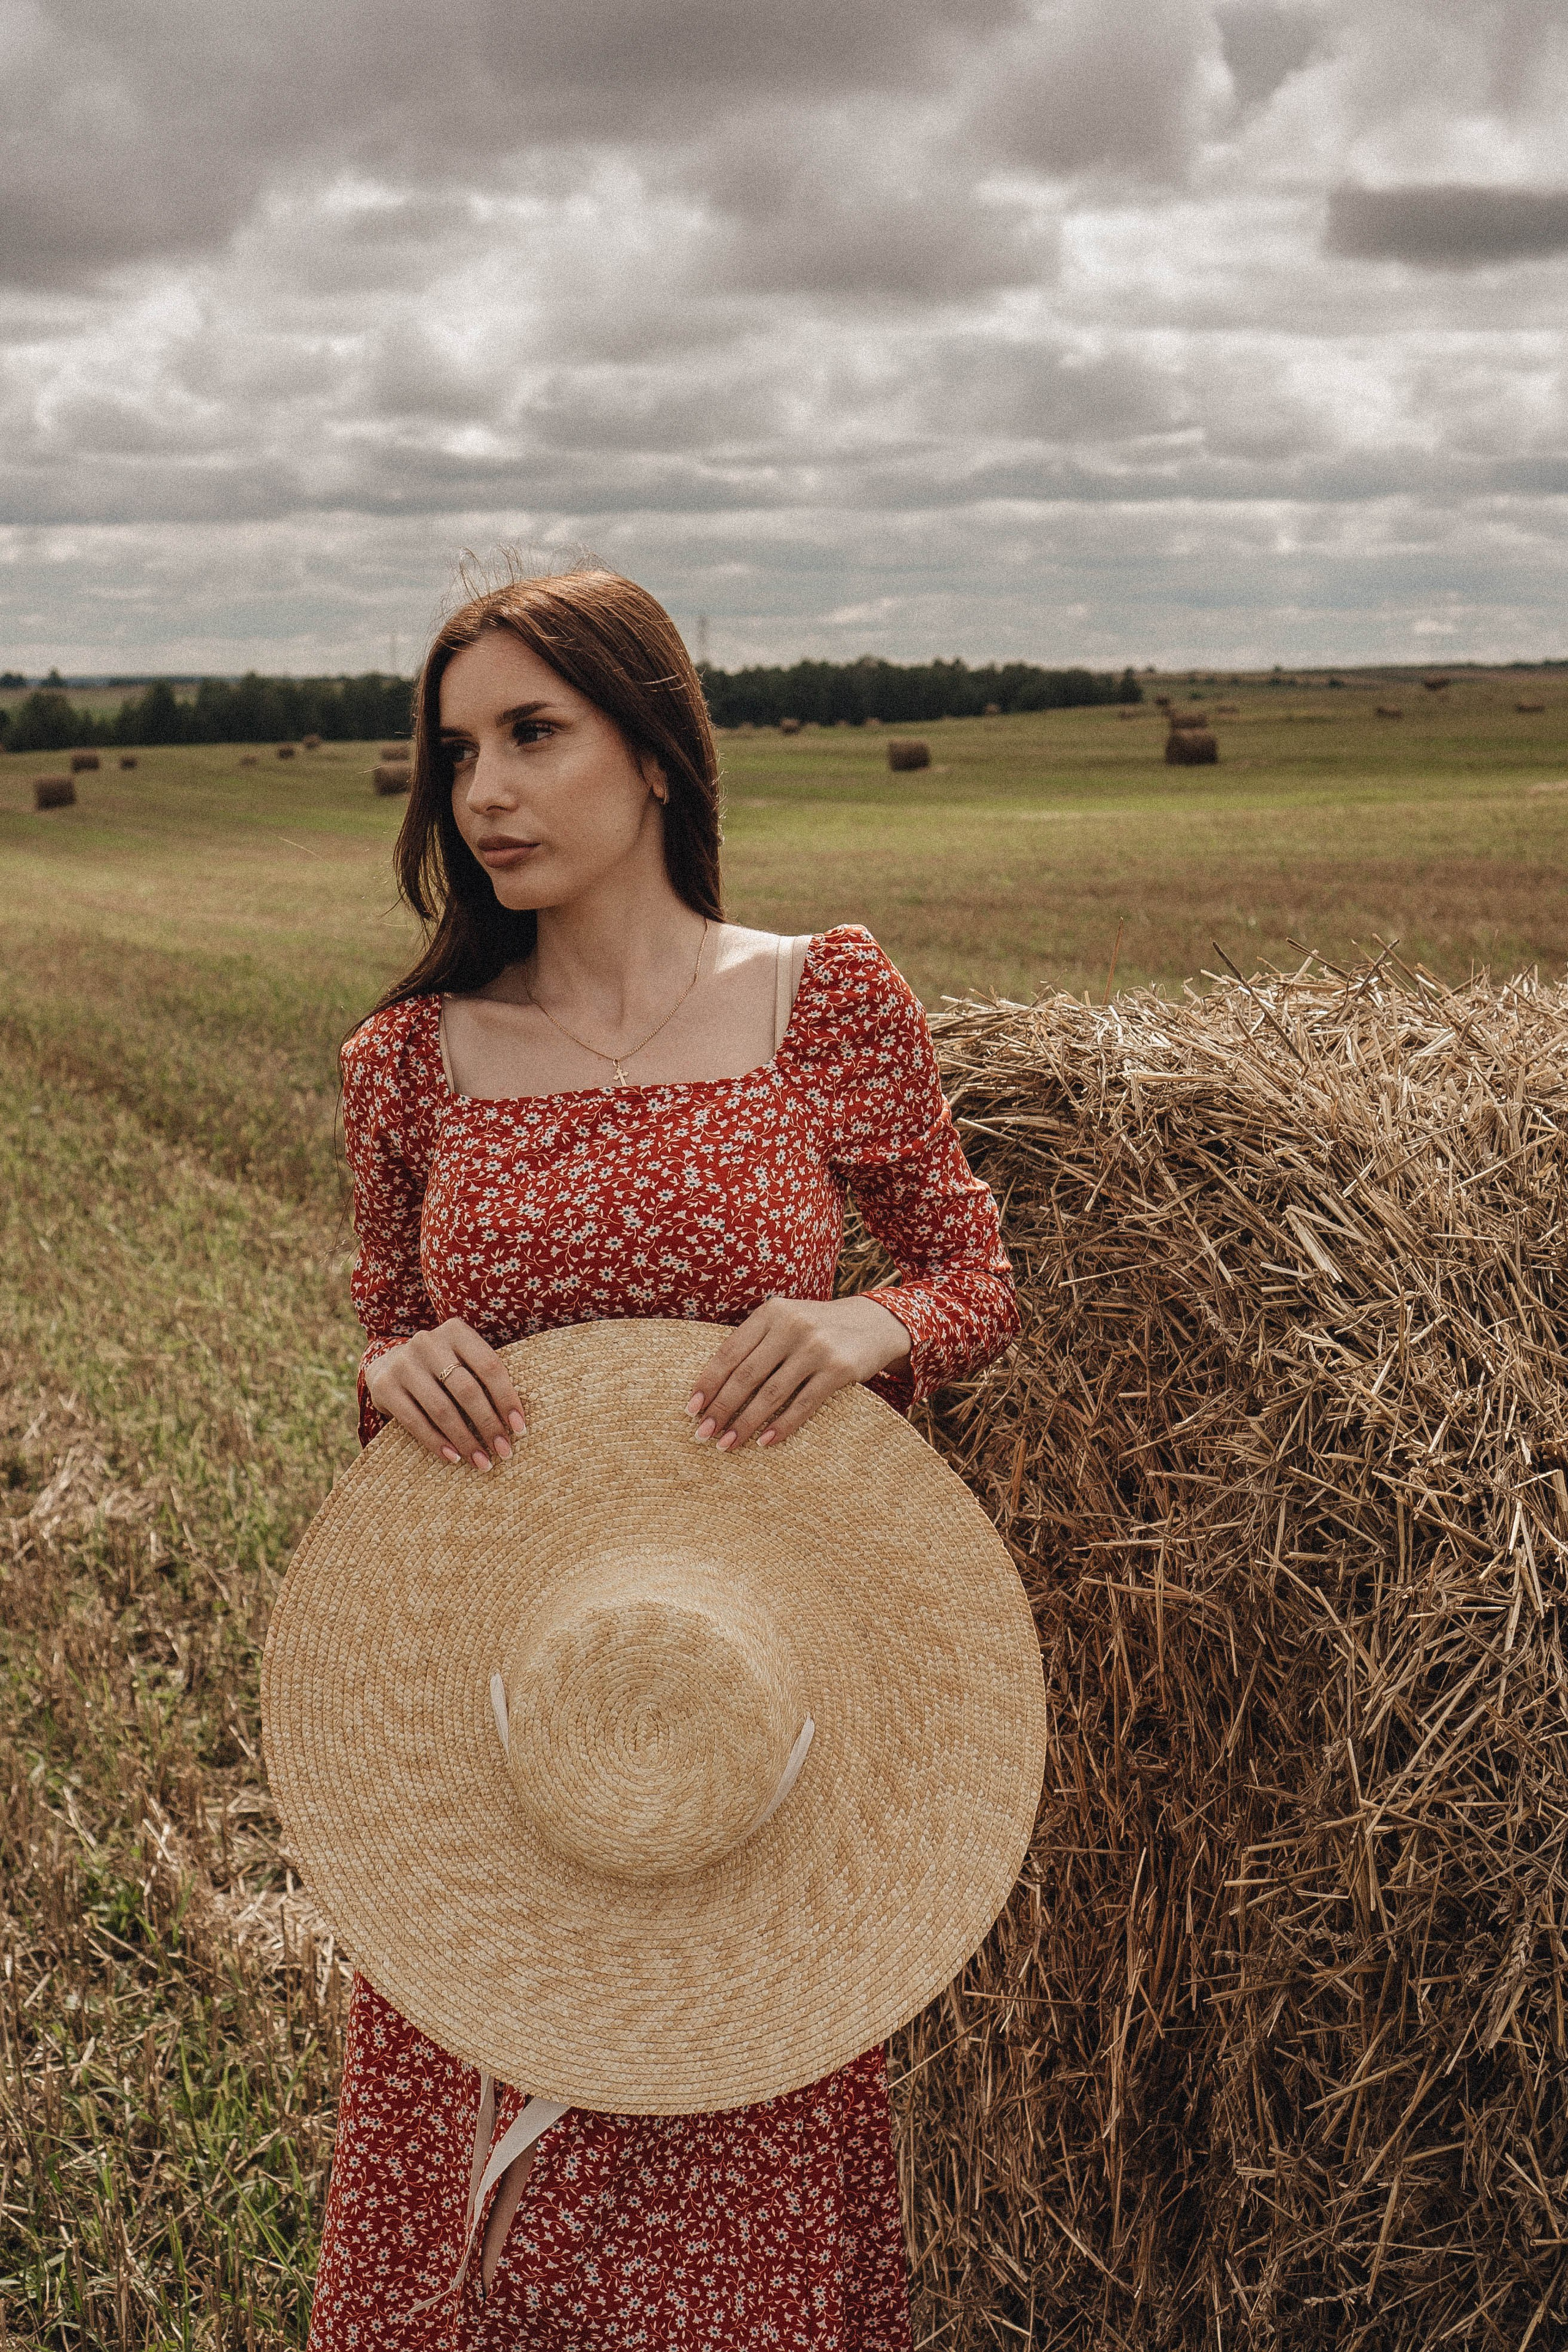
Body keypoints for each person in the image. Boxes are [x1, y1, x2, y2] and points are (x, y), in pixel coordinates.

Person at [308, 562, 1020, 2350]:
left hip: (754, 1720)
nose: (484, 792)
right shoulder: (410, 1064)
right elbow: (387, 1340)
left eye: (531, 735)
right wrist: (400, 1369)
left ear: (654, 751)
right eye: (456, 752)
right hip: (506, 1721)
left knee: (733, 2235)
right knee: (482, 2238)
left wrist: (873, 1328)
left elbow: (971, 1271)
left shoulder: (822, 1002)